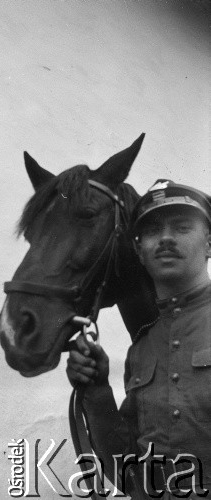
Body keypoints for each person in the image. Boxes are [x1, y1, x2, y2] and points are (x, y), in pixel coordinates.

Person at [66, 179, 211, 499]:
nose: (166, 238)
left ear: (209, 243)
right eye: (152, 231)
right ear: (139, 251)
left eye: (183, 227)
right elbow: (128, 474)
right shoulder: (142, 350)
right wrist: (97, 389)